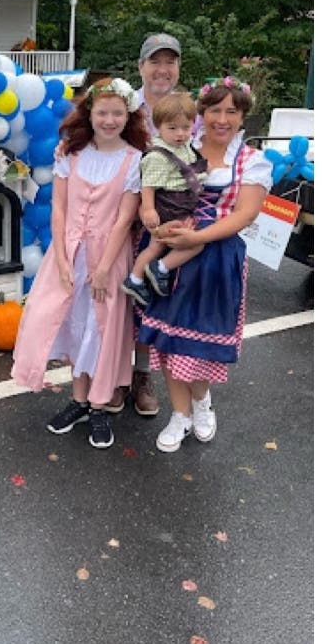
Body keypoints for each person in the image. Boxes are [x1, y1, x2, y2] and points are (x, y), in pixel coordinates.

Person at [10, 77, 149, 450]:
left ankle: (100, 406)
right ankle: (79, 400)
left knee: (102, 330)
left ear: (128, 115)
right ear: (89, 113)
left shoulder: (134, 159)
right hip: (69, 254)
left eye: (117, 113)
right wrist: (60, 257)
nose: (109, 120)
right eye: (102, 112)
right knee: (71, 323)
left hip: (109, 258)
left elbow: (124, 218)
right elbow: (58, 207)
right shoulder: (69, 153)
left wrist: (104, 268)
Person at [136, 76, 273, 453]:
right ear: (202, 113)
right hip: (173, 252)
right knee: (170, 340)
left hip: (217, 259)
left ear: (243, 115)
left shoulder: (251, 161)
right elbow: (154, 192)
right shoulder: (180, 147)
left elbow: (244, 215)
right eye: (215, 109)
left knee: (200, 344)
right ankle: (179, 415)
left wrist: (196, 238)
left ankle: (201, 402)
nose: (222, 118)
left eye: (232, 110)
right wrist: (161, 226)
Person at [107, 32, 191, 417]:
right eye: (155, 61)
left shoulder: (188, 111)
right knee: (115, 297)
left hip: (168, 221)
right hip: (120, 215)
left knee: (149, 300)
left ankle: (141, 375)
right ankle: (113, 376)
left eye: (169, 62)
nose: (162, 69)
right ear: (141, 66)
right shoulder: (124, 107)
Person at [121, 91, 208, 308]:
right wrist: (149, 210)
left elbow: (189, 170)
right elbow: (148, 186)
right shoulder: (158, 155)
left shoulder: (184, 147)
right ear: (158, 126)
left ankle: (135, 279)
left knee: (155, 246)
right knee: (195, 243)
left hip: (182, 202)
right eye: (172, 128)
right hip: (170, 206)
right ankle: (159, 268)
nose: (180, 134)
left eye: (186, 128)